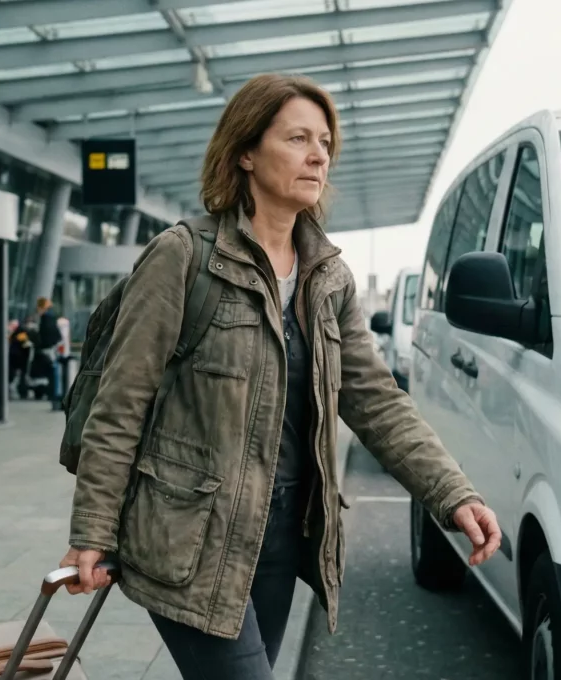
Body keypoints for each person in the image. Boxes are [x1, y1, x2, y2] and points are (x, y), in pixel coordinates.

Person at [59, 73, 501, 680]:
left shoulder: (329, 278)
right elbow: (121, 402)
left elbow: (375, 401)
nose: (319, 154)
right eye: (297, 138)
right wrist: (93, 530)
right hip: (190, 538)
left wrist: (452, 493)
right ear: (245, 150)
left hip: (283, 537)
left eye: (324, 142)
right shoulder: (184, 257)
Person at [34, 297, 63, 409]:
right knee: (52, 374)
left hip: (47, 349)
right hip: (52, 348)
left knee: (49, 373)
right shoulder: (51, 318)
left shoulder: (46, 318)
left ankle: (52, 396)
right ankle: (53, 396)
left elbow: (45, 335)